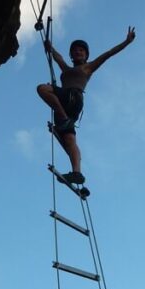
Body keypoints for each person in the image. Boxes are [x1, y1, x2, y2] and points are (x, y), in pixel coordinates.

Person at [37, 28, 136, 184]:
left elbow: (108, 54)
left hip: (73, 98)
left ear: (86, 55)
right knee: (70, 139)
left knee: (43, 88)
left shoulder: (88, 67)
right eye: (75, 51)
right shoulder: (67, 69)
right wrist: (50, 47)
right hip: (68, 103)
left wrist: (127, 42)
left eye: (81, 51)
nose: (78, 52)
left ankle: (63, 118)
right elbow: (58, 58)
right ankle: (77, 173)